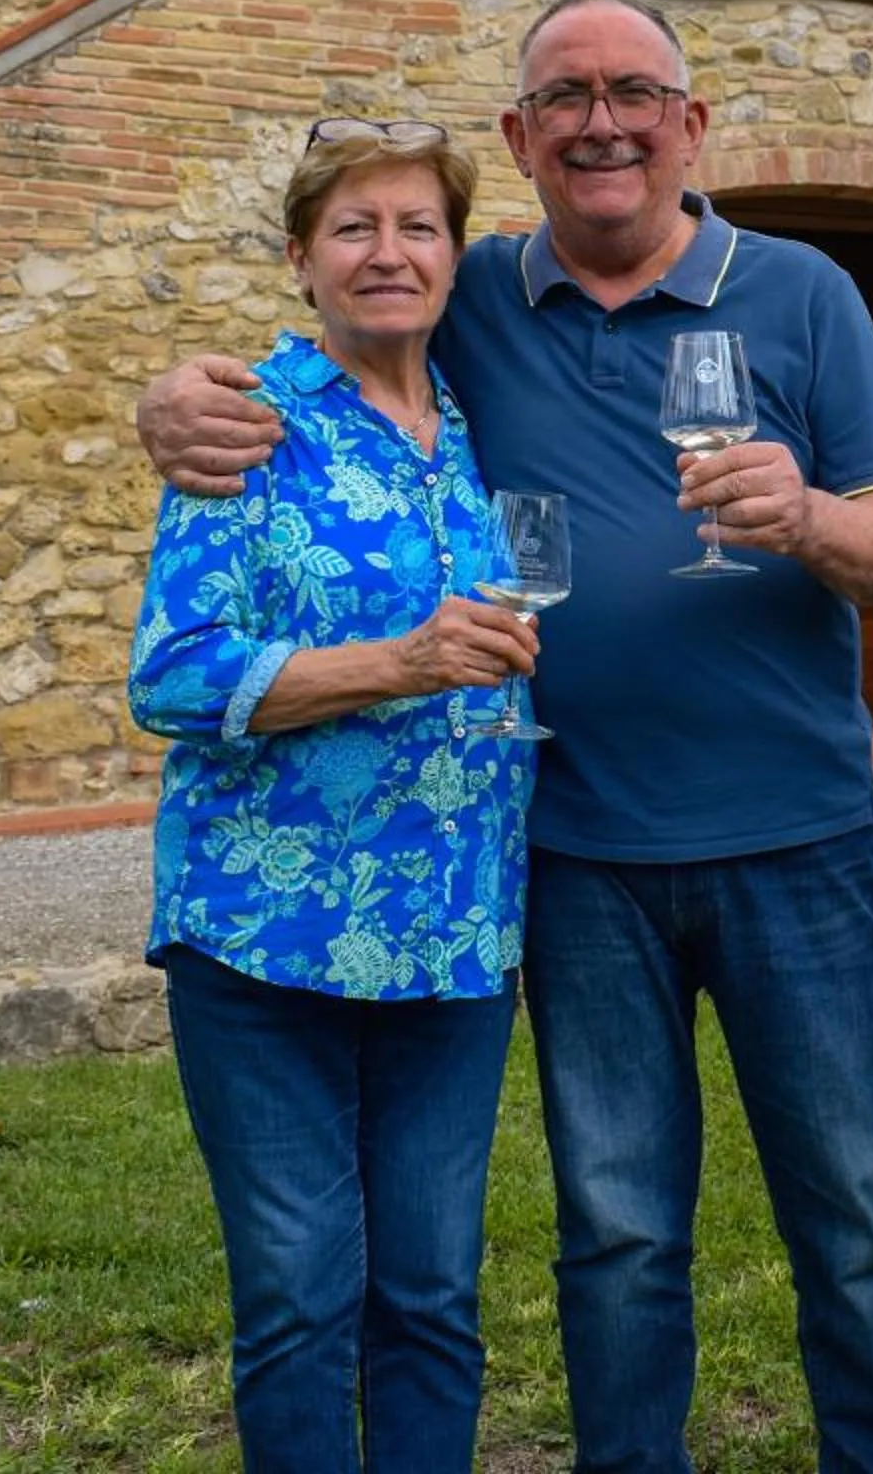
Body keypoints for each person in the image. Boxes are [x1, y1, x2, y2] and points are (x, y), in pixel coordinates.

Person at [136, 0, 873, 1473]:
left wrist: (809, 514)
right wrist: (167, 404)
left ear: (691, 125)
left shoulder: (806, 292)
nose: (602, 120)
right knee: (619, 1231)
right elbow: (311, 357)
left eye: (635, 90)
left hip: (798, 839)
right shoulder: (476, 300)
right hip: (573, 856)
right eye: (564, 97)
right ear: (520, 139)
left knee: (857, 1215)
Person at [128, 117, 541, 1474]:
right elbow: (174, 674)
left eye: (418, 227)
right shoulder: (252, 423)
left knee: (431, 1301)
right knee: (303, 1302)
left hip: (455, 937)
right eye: (355, 228)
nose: (389, 252)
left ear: (454, 257)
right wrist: (401, 663)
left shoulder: (474, 434)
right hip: (267, 937)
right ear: (302, 259)